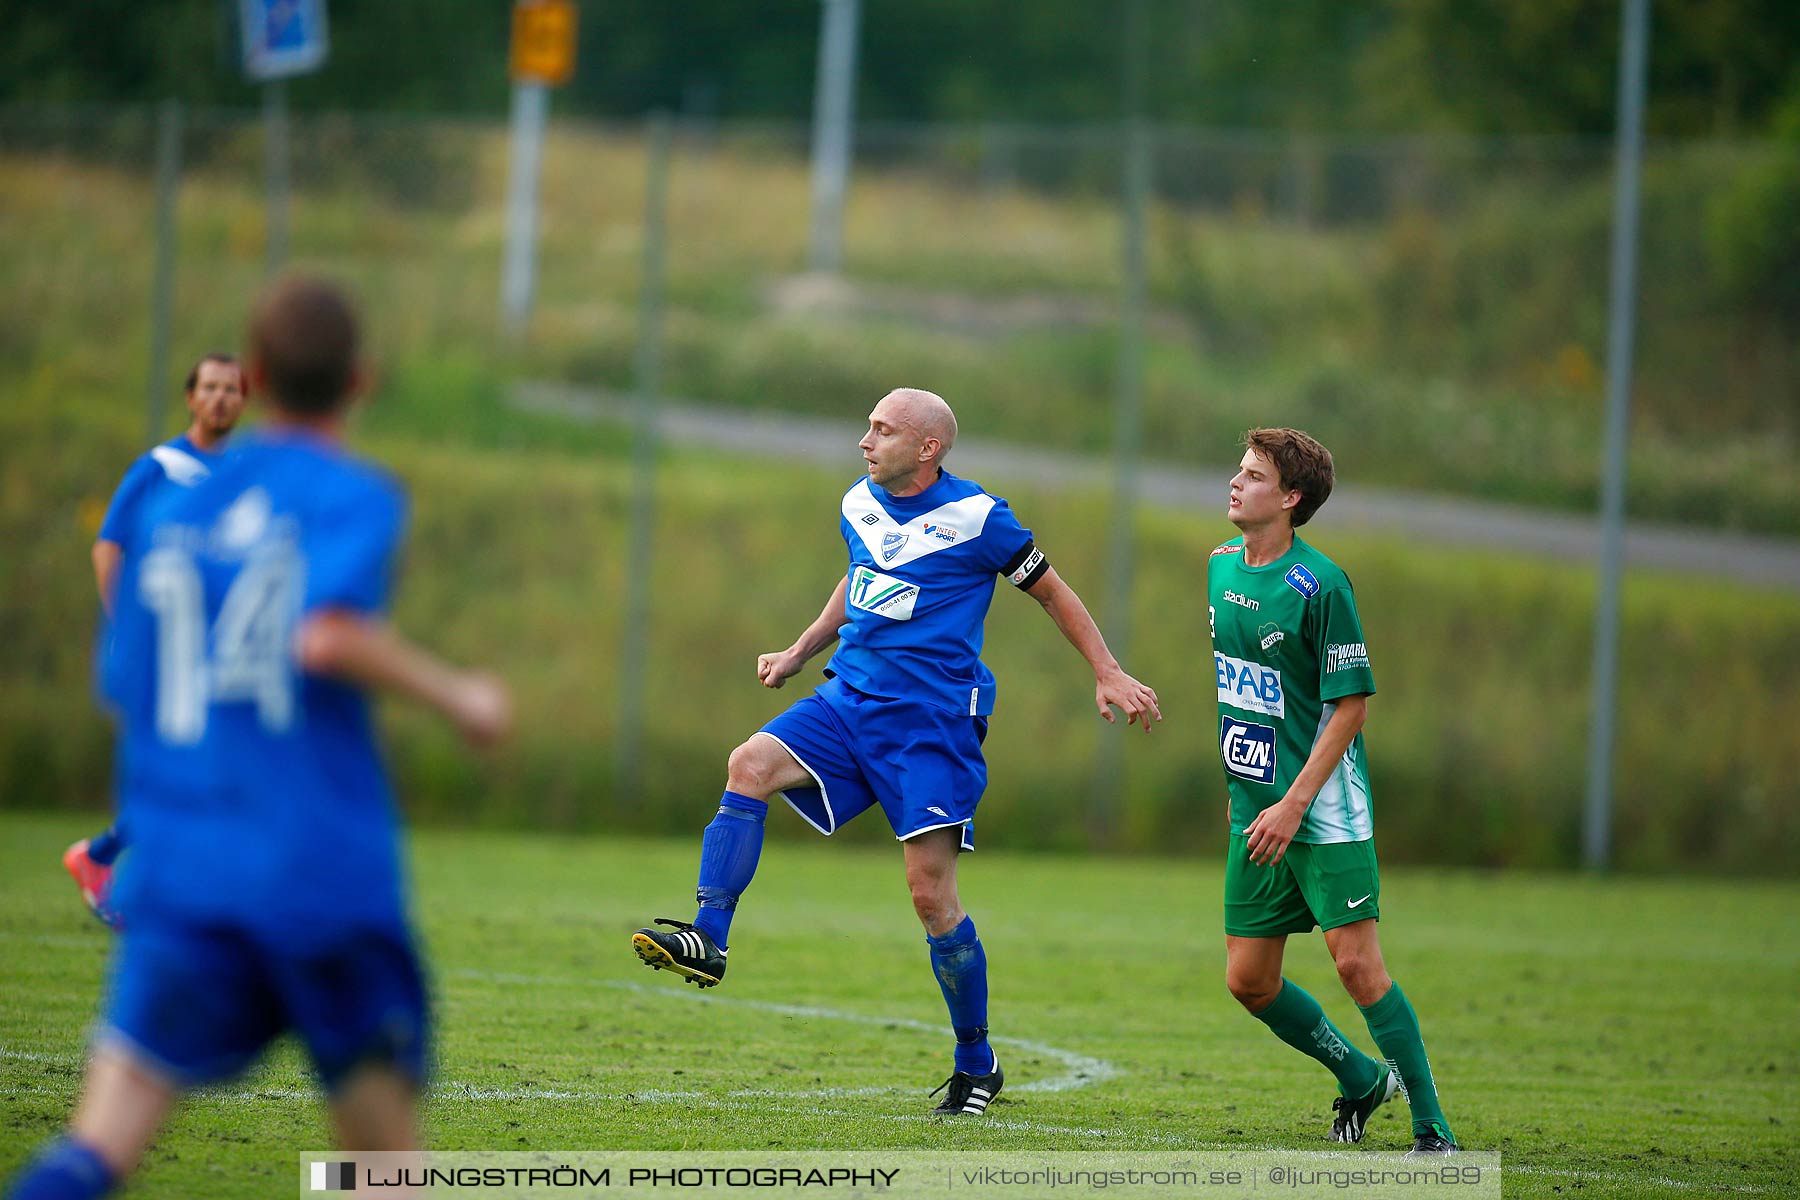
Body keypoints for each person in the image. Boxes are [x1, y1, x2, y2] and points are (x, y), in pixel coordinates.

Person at [7, 276, 511, 1200]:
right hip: (316, 878)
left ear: (259, 374)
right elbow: (324, 635)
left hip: (185, 876)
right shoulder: (351, 495)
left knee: (101, 1141)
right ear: (360, 380)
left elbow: (127, 682)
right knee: (385, 1166)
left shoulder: (168, 508)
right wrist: (460, 696)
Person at [630, 387, 1161, 1117]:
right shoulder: (859, 502)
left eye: (882, 430)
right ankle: (710, 938)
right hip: (849, 700)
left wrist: (1106, 669)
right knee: (748, 764)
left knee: (930, 897)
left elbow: (1053, 593)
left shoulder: (979, 518)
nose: (865, 441)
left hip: (932, 726)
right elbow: (860, 578)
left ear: (928, 447)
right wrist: (798, 649)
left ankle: (977, 1062)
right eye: (868, 427)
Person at [1207, 427, 1457, 1155]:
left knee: (1356, 963)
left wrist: (1294, 803)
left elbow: (1351, 705)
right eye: (1239, 470)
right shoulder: (1221, 568)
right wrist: (1258, 793)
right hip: (1255, 806)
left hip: (1321, 809)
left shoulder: (1322, 586)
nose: (1235, 482)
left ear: (1290, 498)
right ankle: (1359, 1077)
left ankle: (1431, 1129)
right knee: (1249, 981)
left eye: (1253, 476)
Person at [64, 354, 251, 928]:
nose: (220, 398)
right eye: (210, 387)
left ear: (245, 400)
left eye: (231, 389)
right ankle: (113, 866)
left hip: (209, 653)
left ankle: (107, 860)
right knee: (185, 771)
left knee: (215, 771)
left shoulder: (243, 472)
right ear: (191, 398)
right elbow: (108, 547)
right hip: (157, 653)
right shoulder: (161, 466)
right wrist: (127, 626)